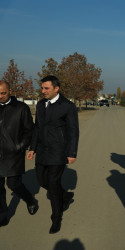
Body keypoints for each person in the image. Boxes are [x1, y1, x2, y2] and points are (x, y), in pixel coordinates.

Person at [27, 75, 79, 234]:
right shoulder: (41, 105)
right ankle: (65, 197)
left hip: (58, 151)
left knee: (53, 184)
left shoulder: (67, 106)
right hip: (42, 151)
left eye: (46, 88)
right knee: (43, 181)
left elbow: (73, 131)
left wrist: (71, 152)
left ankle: (56, 218)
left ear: (56, 88)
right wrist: (32, 148)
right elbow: (37, 128)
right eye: (42, 88)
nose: (43, 91)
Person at [0, 80, 38, 227]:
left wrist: (21, 146)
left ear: (10, 91)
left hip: (13, 154)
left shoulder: (21, 108)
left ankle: (30, 200)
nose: (0, 96)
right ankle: (2, 217)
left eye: (3, 93)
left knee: (13, 184)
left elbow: (30, 130)